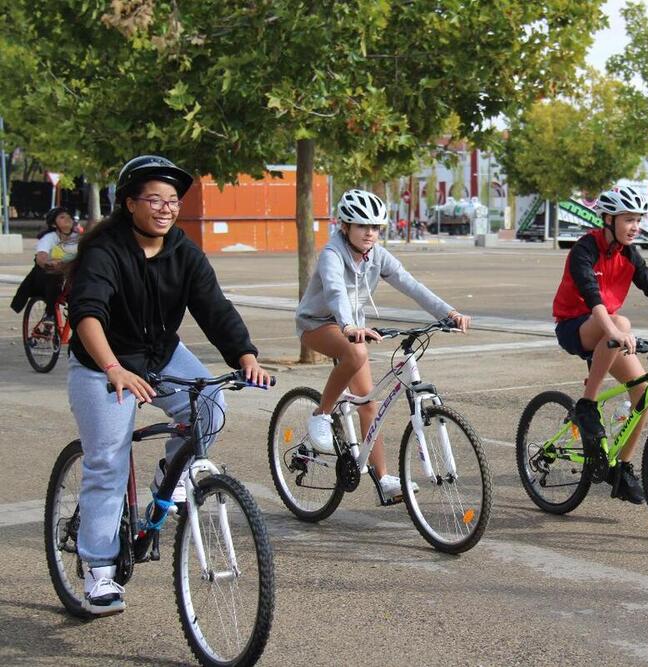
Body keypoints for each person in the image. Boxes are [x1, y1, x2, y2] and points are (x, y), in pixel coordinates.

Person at [67, 155, 271, 616]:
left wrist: (246, 357)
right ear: (129, 203)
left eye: (173, 200)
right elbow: (87, 315)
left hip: (160, 356)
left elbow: (214, 308)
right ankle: (98, 569)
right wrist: (114, 368)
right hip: (104, 365)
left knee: (211, 406)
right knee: (107, 463)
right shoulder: (106, 251)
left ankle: (170, 475)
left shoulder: (183, 251)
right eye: (154, 199)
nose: (165, 208)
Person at [296, 189, 471, 499]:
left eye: (375, 227)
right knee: (356, 351)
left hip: (352, 327)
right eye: (362, 226)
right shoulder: (332, 254)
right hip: (319, 324)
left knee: (368, 402)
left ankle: (385, 478)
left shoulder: (377, 255)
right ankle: (321, 415)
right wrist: (349, 325)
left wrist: (449, 313)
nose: (370, 233)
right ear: (345, 226)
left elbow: (411, 285)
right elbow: (336, 291)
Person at [552, 185, 648, 504]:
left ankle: (622, 469)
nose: (635, 226)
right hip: (574, 326)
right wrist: (615, 330)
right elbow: (593, 297)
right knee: (620, 322)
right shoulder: (585, 249)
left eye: (638, 219)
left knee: (642, 392)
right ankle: (587, 406)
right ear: (608, 219)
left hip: (607, 332)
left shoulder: (630, 255)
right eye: (628, 219)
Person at [35, 206, 81, 320]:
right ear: (54, 224)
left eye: (69, 217)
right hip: (53, 273)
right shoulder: (49, 238)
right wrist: (48, 263)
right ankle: (49, 314)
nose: (67, 219)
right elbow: (41, 256)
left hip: (72, 273)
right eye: (62, 217)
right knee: (54, 280)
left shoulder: (78, 238)